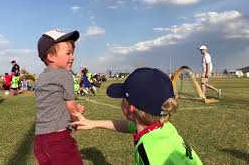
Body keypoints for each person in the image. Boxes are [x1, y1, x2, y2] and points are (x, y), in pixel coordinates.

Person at [71, 68, 202, 165]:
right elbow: (128, 126)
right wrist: (93, 123)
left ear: (131, 108)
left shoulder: (148, 151)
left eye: (122, 98)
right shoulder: (162, 127)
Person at [34, 29, 85, 165]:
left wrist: (71, 108)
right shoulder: (65, 75)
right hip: (58, 140)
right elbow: (70, 105)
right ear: (51, 56)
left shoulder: (42, 77)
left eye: (72, 53)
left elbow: (52, 102)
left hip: (40, 141)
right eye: (68, 53)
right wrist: (76, 119)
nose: (72, 57)